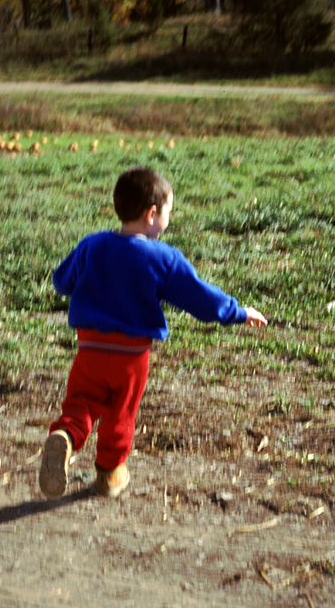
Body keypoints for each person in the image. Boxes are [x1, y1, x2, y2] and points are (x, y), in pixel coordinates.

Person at [39, 166, 267, 500]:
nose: (169, 219)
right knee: (120, 414)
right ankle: (108, 475)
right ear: (152, 214)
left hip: (89, 348)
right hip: (131, 357)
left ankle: (65, 436)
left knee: (81, 403)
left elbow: (61, 281)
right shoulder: (164, 258)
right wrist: (238, 311)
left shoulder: (93, 246)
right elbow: (201, 299)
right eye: (169, 212)